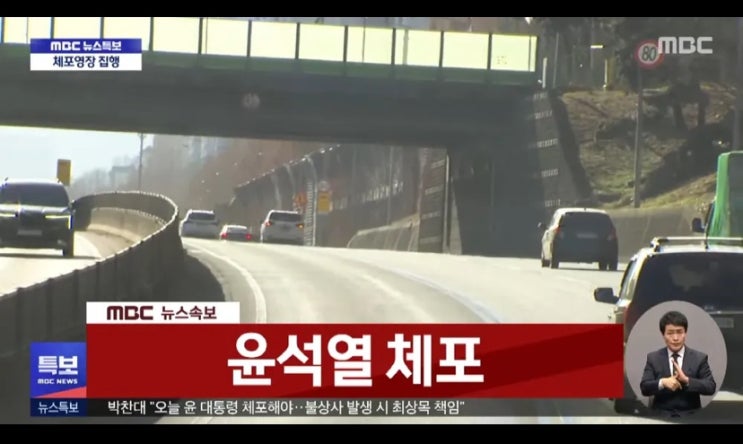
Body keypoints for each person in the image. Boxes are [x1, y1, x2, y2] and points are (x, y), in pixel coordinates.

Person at [639, 310, 717, 415]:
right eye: (670, 333)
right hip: (661, 415)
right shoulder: (653, 358)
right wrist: (663, 383)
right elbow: (644, 388)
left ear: (685, 333)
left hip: (691, 415)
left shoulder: (699, 358)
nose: (675, 338)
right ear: (663, 335)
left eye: (679, 332)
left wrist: (687, 380)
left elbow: (710, 387)